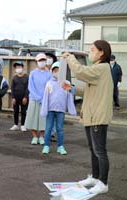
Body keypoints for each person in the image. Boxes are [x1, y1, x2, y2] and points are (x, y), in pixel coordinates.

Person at [62, 40, 113, 194]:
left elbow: (80, 72)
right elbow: (87, 90)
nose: (90, 52)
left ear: (101, 52)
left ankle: (103, 183)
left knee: (99, 150)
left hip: (97, 115)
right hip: (91, 115)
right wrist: (71, 88)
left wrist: (70, 57)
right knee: (93, 149)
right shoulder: (98, 69)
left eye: (92, 49)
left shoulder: (102, 68)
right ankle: (95, 177)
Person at [40, 61, 76, 155]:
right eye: (55, 70)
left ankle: (60, 146)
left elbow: (70, 95)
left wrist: (71, 109)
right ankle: (46, 146)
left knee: (60, 129)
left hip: (61, 110)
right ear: (52, 71)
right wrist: (44, 110)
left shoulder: (66, 82)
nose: (56, 72)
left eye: (58, 70)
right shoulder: (49, 83)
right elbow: (45, 97)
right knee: (48, 128)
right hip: (50, 110)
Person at [24, 53, 52, 145]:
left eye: (43, 60)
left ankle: (41, 136)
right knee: (33, 118)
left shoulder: (49, 73)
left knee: (43, 119)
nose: (42, 62)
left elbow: (50, 86)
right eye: (40, 60)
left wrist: (45, 97)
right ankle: (34, 136)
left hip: (45, 99)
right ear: (36, 62)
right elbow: (30, 87)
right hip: (34, 99)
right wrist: (37, 97)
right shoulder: (33, 73)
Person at [10, 62, 29, 132]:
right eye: (17, 67)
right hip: (16, 97)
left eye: (19, 67)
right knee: (16, 111)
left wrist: (25, 97)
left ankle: (23, 125)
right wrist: (13, 97)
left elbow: (28, 88)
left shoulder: (27, 77)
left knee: (24, 111)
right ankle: (15, 124)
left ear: (22, 67)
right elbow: (12, 88)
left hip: (24, 97)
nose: (18, 69)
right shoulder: (14, 78)